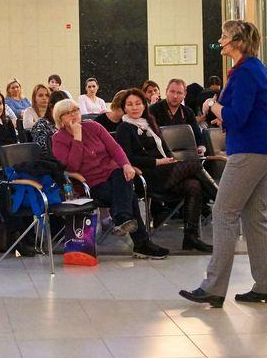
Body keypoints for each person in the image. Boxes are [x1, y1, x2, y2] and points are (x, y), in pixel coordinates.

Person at [180, 20, 267, 308]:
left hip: (251, 149)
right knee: (254, 218)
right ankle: (266, 287)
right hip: (265, 147)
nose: (220, 40)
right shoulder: (255, 68)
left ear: (237, 41)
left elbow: (236, 117)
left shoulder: (246, 72)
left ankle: (213, 287)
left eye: (224, 36)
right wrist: (222, 110)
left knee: (224, 212)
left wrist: (212, 105)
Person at [51, 99, 167, 258]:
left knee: (122, 174)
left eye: (75, 110)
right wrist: (77, 137)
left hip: (113, 174)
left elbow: (115, 148)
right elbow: (72, 167)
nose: (74, 115)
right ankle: (139, 240)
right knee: (130, 197)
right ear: (60, 119)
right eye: (68, 113)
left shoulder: (94, 126)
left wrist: (126, 164)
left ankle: (123, 220)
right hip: (90, 182)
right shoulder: (59, 138)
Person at [114, 88, 213, 253]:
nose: (134, 107)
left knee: (193, 185)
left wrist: (171, 160)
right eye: (130, 104)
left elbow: (165, 150)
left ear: (144, 105)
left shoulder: (149, 123)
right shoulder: (124, 128)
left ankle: (191, 238)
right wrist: (157, 162)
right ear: (124, 108)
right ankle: (219, 198)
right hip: (147, 176)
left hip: (165, 172)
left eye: (138, 103)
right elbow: (127, 158)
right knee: (195, 165)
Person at [149, 79, 204, 150]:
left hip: (185, 152)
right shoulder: (153, 110)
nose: (175, 96)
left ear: (184, 95)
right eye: (172, 92)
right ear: (166, 91)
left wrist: (201, 147)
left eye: (179, 93)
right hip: (160, 152)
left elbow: (198, 137)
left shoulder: (188, 112)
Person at [31, 91, 69, 158]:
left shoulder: (69, 123)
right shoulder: (41, 125)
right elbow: (43, 151)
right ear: (51, 107)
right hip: (53, 160)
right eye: (61, 108)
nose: (65, 112)